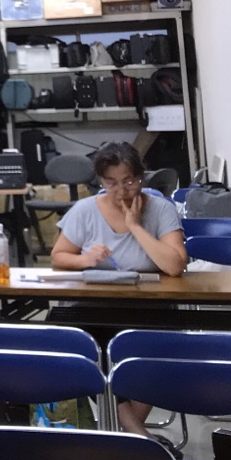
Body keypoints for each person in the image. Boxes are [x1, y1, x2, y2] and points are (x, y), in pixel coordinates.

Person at [48, 141, 188, 440]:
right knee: (76, 347)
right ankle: (137, 436)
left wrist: (135, 225)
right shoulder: (85, 210)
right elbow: (58, 257)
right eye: (111, 183)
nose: (121, 191)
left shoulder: (161, 208)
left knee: (156, 353)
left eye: (129, 181)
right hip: (94, 307)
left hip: (151, 307)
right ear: (101, 181)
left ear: (141, 177)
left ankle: (123, 436)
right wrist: (85, 260)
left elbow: (175, 266)